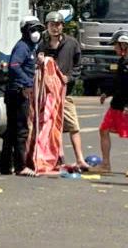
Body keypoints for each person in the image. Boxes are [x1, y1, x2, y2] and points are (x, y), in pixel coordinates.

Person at [39, 10, 89, 171]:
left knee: (73, 126)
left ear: (62, 26)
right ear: (47, 26)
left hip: (65, 94)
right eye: (52, 25)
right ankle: (54, 158)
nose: (55, 28)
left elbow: (78, 65)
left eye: (58, 24)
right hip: (46, 95)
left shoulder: (72, 43)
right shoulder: (42, 44)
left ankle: (80, 159)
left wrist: (70, 77)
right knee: (49, 128)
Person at [0, 15, 44, 177]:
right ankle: (20, 166)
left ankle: (4, 165)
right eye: (33, 30)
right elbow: (14, 66)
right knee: (21, 130)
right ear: (25, 31)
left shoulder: (30, 48)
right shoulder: (22, 47)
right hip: (17, 92)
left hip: (16, 91)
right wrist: (27, 84)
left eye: (38, 30)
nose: (36, 33)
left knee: (11, 130)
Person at [95, 29, 128, 177]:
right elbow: (118, 83)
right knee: (103, 130)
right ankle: (105, 164)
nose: (114, 48)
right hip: (116, 105)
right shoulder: (122, 61)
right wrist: (106, 93)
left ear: (124, 45)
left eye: (116, 45)